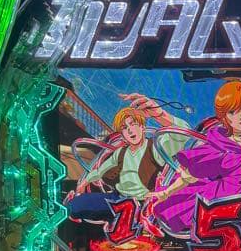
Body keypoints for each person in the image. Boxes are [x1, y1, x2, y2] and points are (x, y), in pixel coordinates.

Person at [149, 81, 241, 242]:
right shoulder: (219, 144)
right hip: (219, 201)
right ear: (225, 116)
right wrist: (167, 192)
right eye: (233, 112)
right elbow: (191, 174)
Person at [66, 93, 190, 222]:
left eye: (133, 124)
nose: (130, 130)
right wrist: (85, 182)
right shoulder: (121, 152)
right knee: (75, 206)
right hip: (116, 198)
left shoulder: (155, 148)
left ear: (142, 126)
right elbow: (101, 170)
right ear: (122, 134)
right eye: (125, 128)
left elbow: (182, 133)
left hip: (139, 205)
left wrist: (160, 115)